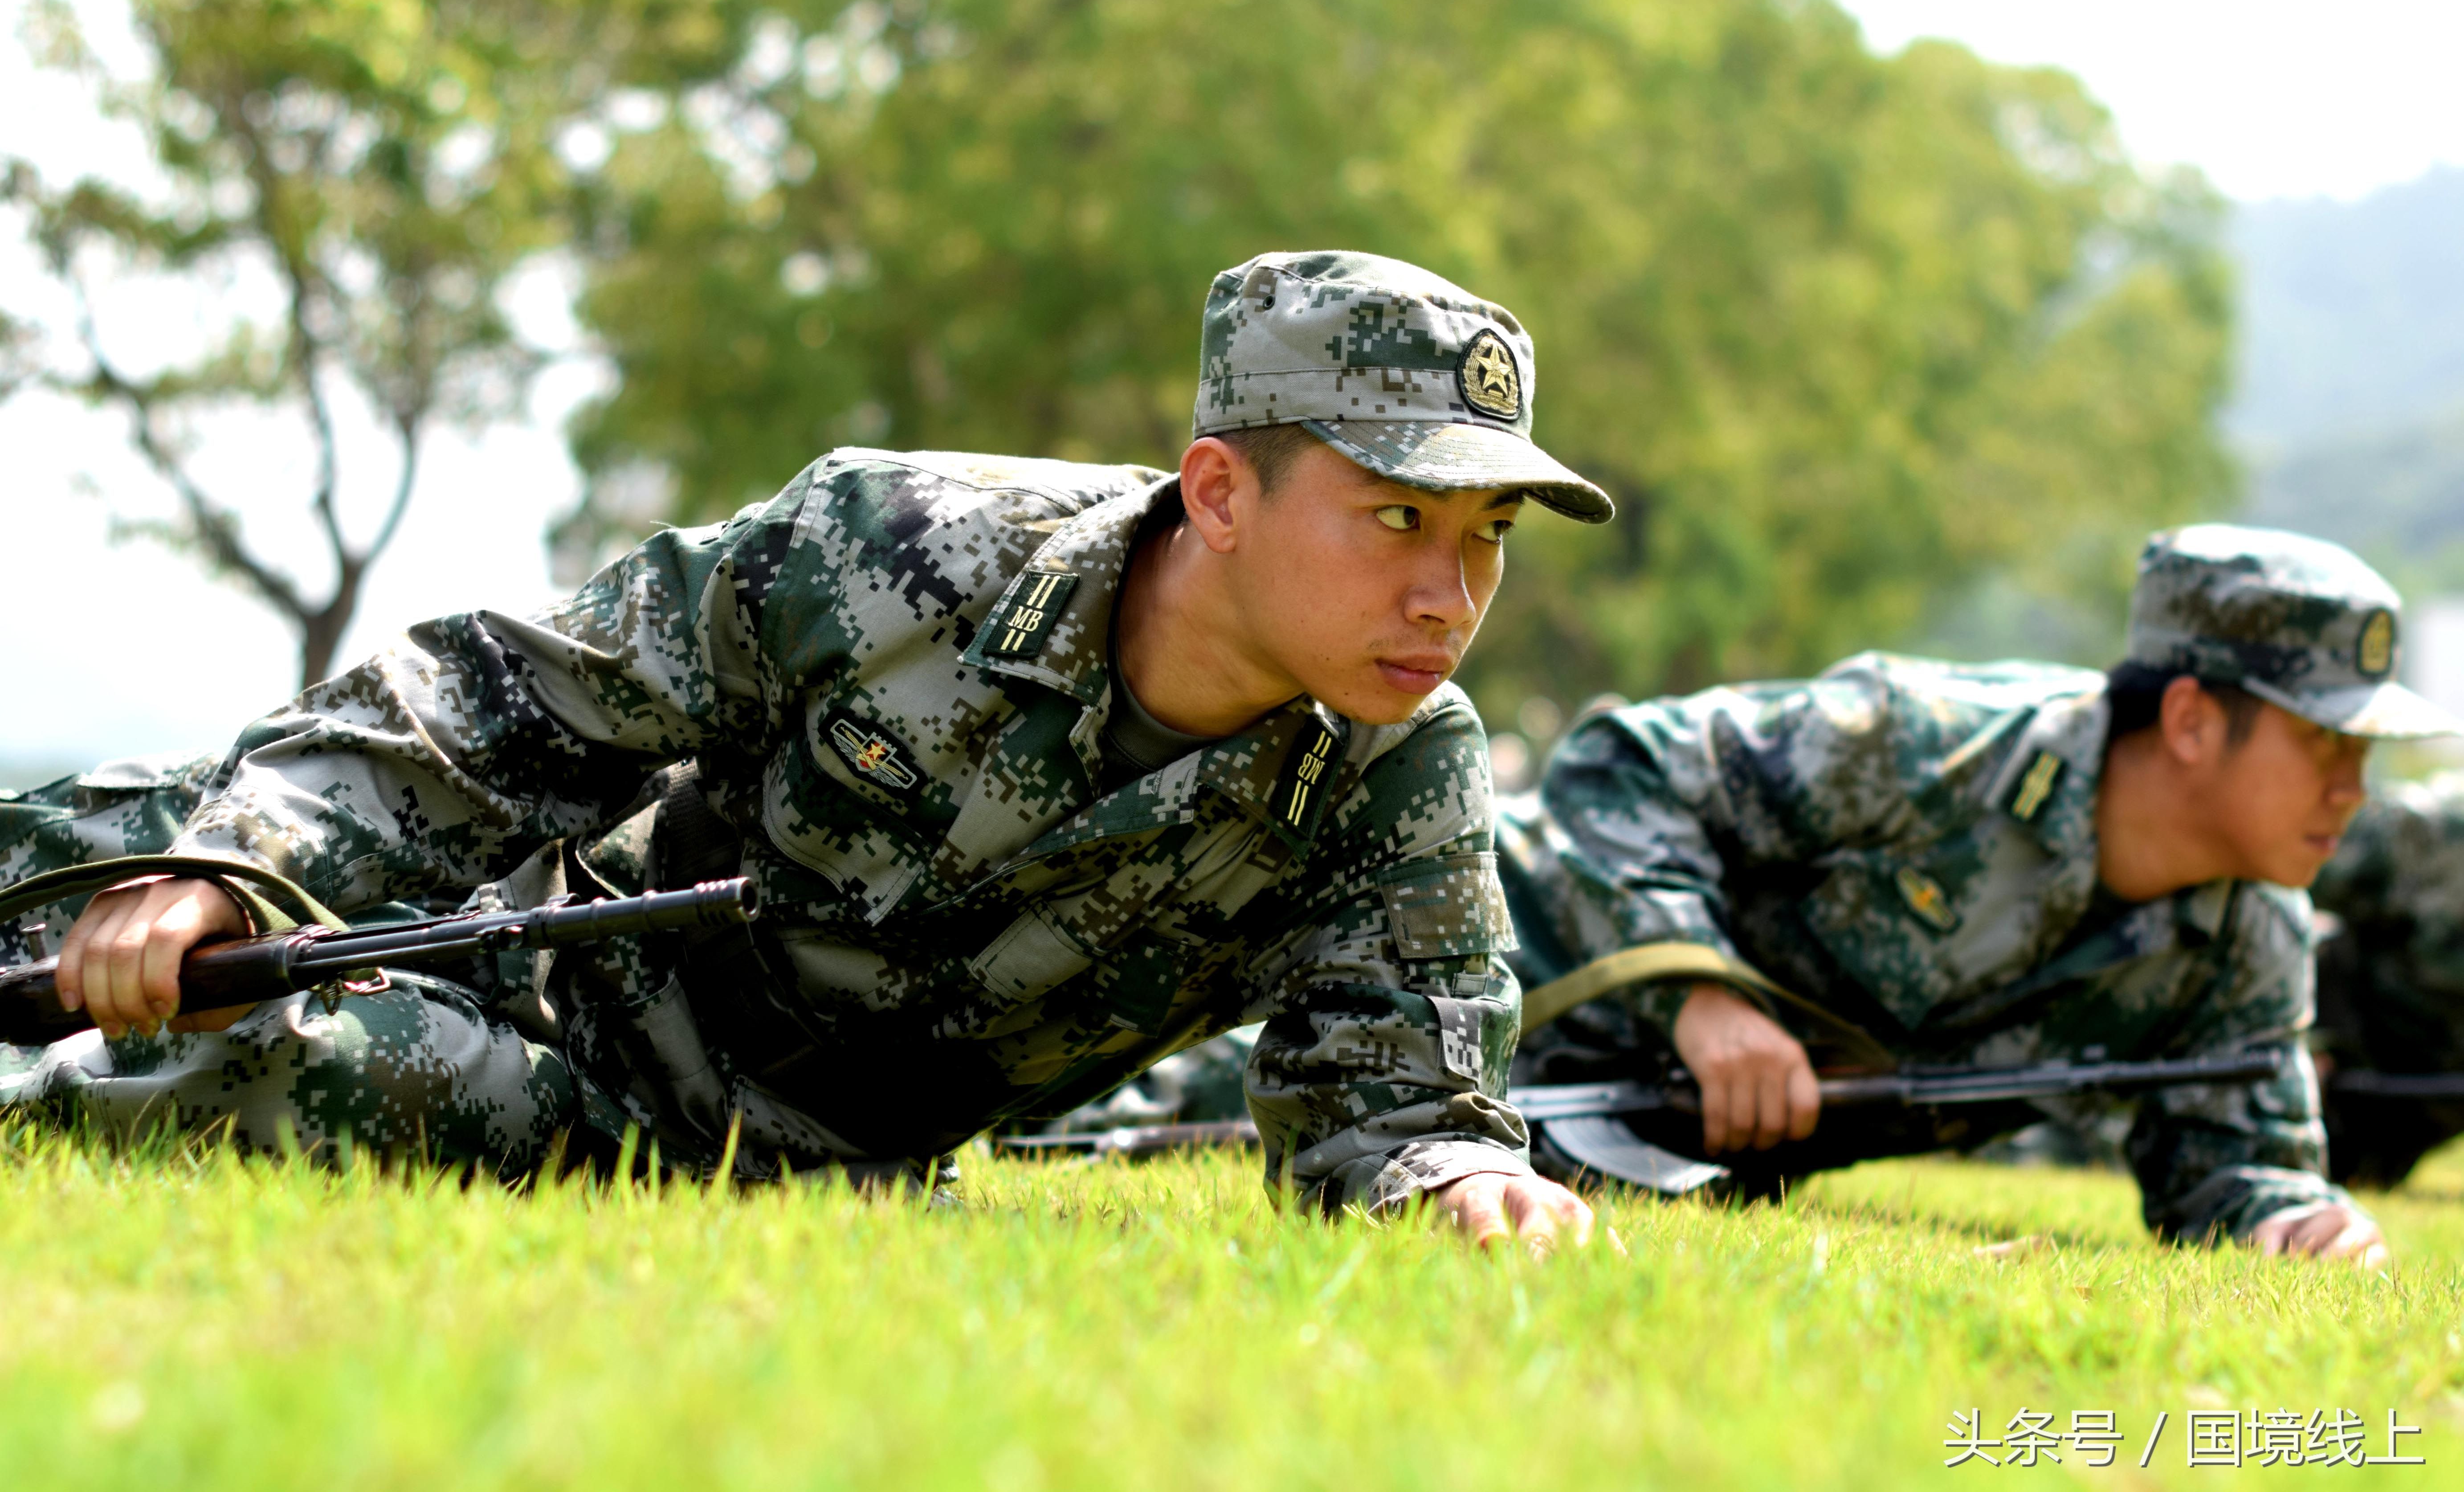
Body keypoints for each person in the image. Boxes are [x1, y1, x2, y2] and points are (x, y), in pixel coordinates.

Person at [2, 249, 1612, 1250]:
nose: (1443, 591)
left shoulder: (1398, 772)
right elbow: (511, 702)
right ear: (1216, 493)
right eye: (1396, 515)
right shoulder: (891, 544)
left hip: (690, 1147)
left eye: (1485, 538)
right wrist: (234, 869)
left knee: (220, 1064)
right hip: (532, 932)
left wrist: (1451, 1187)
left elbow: (1393, 1092)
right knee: (76, 858)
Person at [1500, 525, 2452, 1265]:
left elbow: (2237, 1163)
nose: (2355, 787)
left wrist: (2297, 1221)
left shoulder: (2253, 928)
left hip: (1615, 1136)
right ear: (2193, 721)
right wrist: (1700, 995)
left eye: (2365, 751)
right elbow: (1621, 766)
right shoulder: (1936, 743)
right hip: (1472, 964)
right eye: (2325, 743)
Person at [2307, 772, 2464, 1188]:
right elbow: (2288, 888)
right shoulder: (2427, 828)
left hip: (2429, 1093)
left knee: (2362, 1174)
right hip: (2356, 1060)